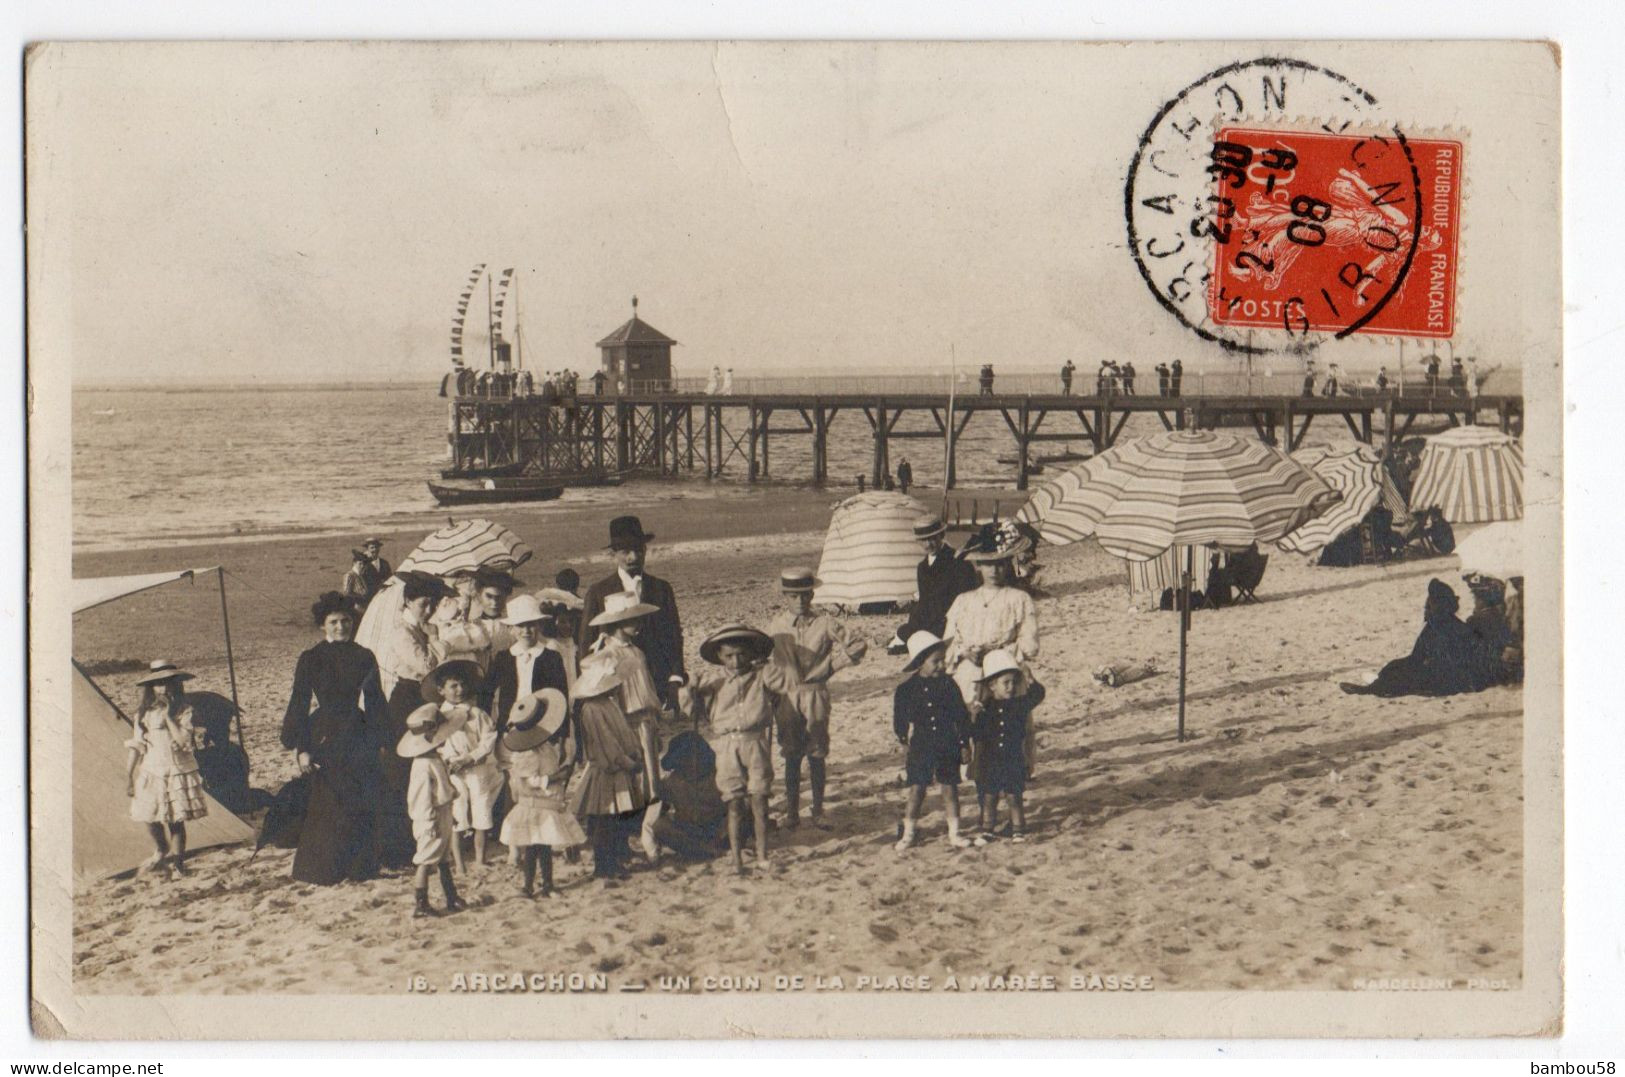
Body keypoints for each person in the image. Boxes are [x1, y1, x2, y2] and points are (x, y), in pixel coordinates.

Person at [279, 592, 390, 886]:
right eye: (334, 622)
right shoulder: (311, 659)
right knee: (328, 799)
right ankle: (324, 868)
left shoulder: (364, 655)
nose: (341, 627)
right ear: (322, 626)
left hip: (357, 730)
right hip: (324, 732)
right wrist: (301, 748)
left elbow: (375, 700)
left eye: (346, 621)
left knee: (359, 796)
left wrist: (382, 739)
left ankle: (359, 866)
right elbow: (300, 702)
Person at [679, 624, 796, 875]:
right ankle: (736, 859)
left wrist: (770, 665)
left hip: (755, 742)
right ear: (720, 656)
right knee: (733, 803)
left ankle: (763, 856)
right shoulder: (713, 681)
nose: (736, 660)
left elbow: (787, 684)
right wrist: (690, 688)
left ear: (751, 653)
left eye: (742, 654)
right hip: (727, 745)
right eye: (729, 655)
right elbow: (691, 711)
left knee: (760, 801)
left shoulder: (763, 675)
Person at [767, 567, 867, 829]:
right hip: (787, 696)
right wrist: (772, 687)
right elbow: (764, 660)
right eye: (793, 596)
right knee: (791, 755)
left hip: (815, 694)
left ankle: (818, 809)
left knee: (817, 753)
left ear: (811, 595)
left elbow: (857, 645)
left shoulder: (825, 623)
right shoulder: (776, 626)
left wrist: (832, 667)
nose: (799, 601)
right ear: (785, 596)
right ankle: (791, 811)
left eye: (804, 595)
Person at [943, 522, 1041, 775]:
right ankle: (971, 766)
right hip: (971, 666)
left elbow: (1029, 644)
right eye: (987, 564)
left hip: (1005, 664)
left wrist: (1000, 656)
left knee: (1013, 718)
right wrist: (965, 652)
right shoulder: (964, 601)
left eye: (1000, 564)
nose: (994, 570)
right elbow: (949, 641)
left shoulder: (1018, 599)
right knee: (969, 715)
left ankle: (1016, 767)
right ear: (977, 566)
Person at [374, 570, 455, 867]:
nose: (429, 610)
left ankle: (424, 841)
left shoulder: (419, 629)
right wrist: (436, 639)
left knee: (423, 771)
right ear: (408, 601)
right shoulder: (402, 631)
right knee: (401, 772)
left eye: (433, 604)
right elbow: (426, 667)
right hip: (406, 700)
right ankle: (397, 847)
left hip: (424, 698)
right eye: (423, 603)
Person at [580, 591, 665, 860]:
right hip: (625, 722)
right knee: (628, 781)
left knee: (651, 779)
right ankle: (624, 840)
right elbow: (607, 693)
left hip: (645, 720)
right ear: (617, 623)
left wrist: (655, 719)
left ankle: (645, 834)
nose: (638, 625)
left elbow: (646, 687)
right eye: (632, 619)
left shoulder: (637, 651)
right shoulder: (607, 654)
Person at [579, 516, 685, 705]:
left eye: (638, 550)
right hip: (614, 682)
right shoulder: (598, 591)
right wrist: (592, 685)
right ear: (613, 554)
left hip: (656, 679)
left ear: (645, 550)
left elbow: (673, 635)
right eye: (625, 551)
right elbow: (586, 643)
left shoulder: (661, 588)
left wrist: (675, 677)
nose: (633, 557)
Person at [1340, 579, 1501, 697]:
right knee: (1397, 667)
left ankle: (1369, 689)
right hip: (1457, 676)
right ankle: (1373, 687)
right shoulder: (1452, 625)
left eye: (1429, 604)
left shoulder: (1440, 627)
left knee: (1403, 672)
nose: (1426, 608)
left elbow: (1421, 657)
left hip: (1451, 678)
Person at [498, 688, 584, 898]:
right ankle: (529, 885)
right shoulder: (525, 753)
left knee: (543, 847)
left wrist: (561, 770)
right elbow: (527, 782)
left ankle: (547, 884)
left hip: (547, 803)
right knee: (533, 848)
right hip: (535, 805)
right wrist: (554, 778)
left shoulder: (544, 746)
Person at [125, 660, 208, 877]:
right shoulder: (142, 714)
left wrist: (169, 717)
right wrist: (129, 775)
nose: (163, 689)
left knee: (175, 821)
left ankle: (178, 864)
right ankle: (161, 848)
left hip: (176, 769)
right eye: (158, 684)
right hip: (151, 770)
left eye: (168, 684)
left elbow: (182, 741)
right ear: (151, 687)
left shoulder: (185, 710)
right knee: (149, 816)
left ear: (176, 686)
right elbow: (136, 746)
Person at [892, 632, 973, 851]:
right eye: (935, 661)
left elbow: (961, 716)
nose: (941, 666)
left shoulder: (949, 685)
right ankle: (909, 833)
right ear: (920, 662)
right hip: (922, 744)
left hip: (948, 742)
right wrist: (903, 741)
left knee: (950, 788)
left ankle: (955, 833)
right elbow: (900, 719)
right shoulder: (906, 690)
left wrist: (965, 743)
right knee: (917, 789)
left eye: (943, 660)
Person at [568, 664, 647, 881]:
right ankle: (604, 865)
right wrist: (625, 761)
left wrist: (634, 752)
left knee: (616, 817)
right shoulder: (591, 709)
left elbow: (622, 733)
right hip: (607, 769)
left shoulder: (608, 704)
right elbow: (606, 742)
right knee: (604, 819)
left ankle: (617, 857)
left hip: (619, 768)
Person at [424, 659, 502, 871]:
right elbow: (436, 743)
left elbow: (488, 741)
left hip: (477, 769)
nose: (460, 690)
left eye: (462, 685)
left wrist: (470, 758)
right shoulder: (437, 717)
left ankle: (480, 859)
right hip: (453, 771)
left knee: (481, 810)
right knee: (457, 813)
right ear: (441, 690)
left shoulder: (477, 714)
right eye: (453, 686)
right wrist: (451, 761)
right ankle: (459, 863)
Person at [395, 703, 468, 918]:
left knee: (444, 859)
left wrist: (450, 814)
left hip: (443, 813)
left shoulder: (434, 759)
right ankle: (421, 903)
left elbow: (442, 789)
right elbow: (420, 798)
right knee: (426, 860)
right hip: (430, 818)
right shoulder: (422, 765)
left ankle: (451, 896)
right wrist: (428, 821)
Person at [969, 650, 1046, 844]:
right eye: (1006, 683)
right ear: (992, 686)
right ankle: (988, 829)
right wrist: (974, 715)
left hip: (1013, 758)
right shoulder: (986, 709)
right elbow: (977, 734)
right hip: (991, 760)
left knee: (1014, 796)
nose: (1011, 687)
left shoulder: (1019, 704)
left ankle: (1018, 829)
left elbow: (1038, 694)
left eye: (1014, 682)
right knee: (990, 797)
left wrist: (1029, 679)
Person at [486, 593, 576, 729]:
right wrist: (487, 723)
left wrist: (561, 736)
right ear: (511, 629)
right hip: (510, 727)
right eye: (520, 626)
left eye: (531, 625)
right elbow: (486, 692)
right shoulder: (503, 657)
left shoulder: (551, 658)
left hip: (542, 727)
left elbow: (560, 698)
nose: (526, 631)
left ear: (540, 625)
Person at [891, 515, 979, 652]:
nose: (928, 544)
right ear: (918, 541)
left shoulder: (958, 562)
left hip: (951, 621)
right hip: (930, 622)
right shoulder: (922, 567)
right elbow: (924, 603)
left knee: (917, 636)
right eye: (923, 540)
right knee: (904, 630)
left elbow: (966, 601)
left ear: (941, 535)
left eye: (932, 538)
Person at [650, 731, 739, 861]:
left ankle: (708, 849)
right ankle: (704, 850)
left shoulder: (719, 775)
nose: (693, 763)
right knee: (659, 826)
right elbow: (656, 811)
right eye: (687, 759)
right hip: (690, 831)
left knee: (741, 813)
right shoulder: (672, 782)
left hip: (719, 830)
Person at [439, 567, 518, 672]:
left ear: (506, 596)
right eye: (489, 596)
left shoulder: (514, 629)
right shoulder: (470, 628)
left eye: (499, 597)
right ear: (479, 595)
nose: (494, 603)